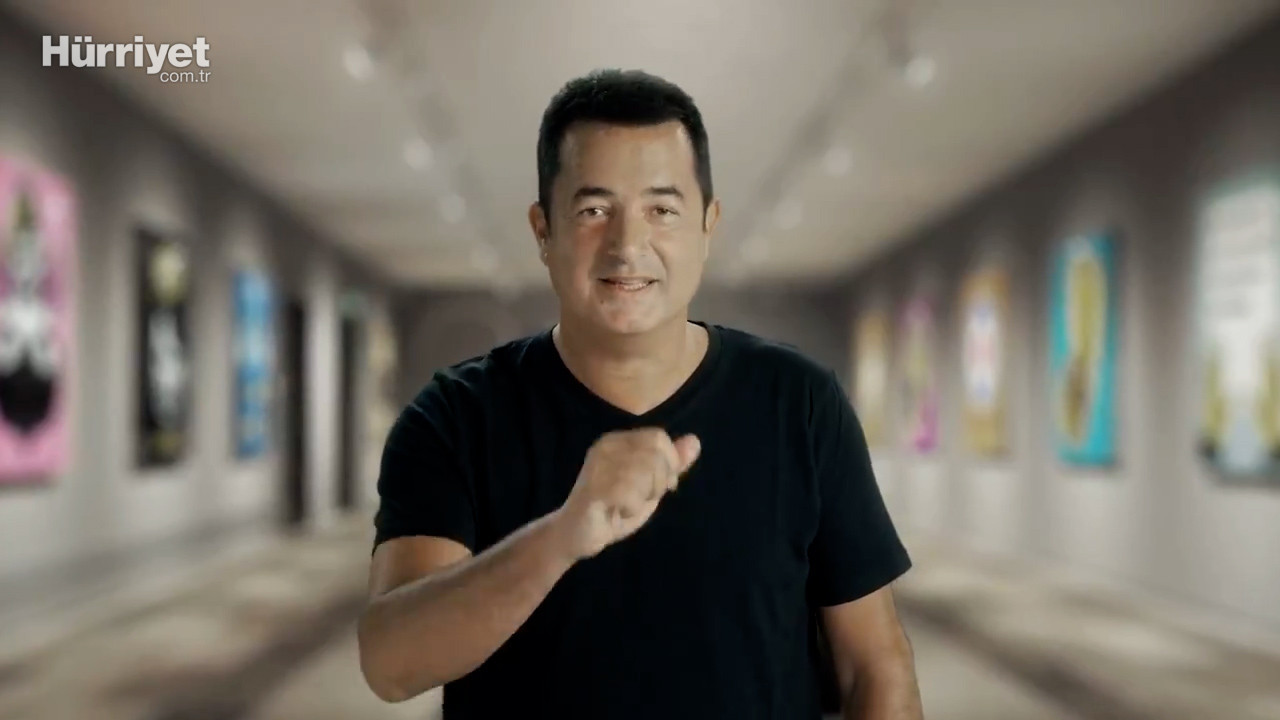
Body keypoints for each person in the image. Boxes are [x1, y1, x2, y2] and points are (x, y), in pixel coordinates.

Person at [357, 68, 924, 719]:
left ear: (708, 225)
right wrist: (560, 538)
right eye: (594, 211)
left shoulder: (799, 403)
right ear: (543, 231)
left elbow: (874, 666)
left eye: (663, 210)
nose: (628, 245)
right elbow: (391, 664)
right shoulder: (455, 417)